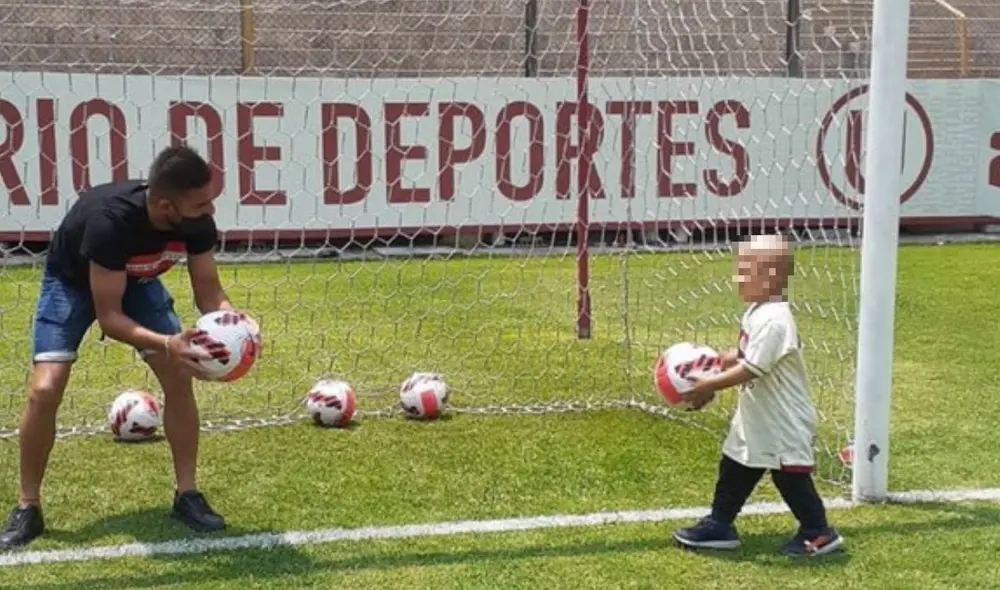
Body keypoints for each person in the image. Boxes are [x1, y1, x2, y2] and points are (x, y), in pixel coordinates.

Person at [0, 145, 243, 551]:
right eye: (201, 202)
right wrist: (168, 342)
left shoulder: (197, 220)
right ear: (166, 206)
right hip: (72, 283)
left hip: (139, 282)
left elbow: (209, 291)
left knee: (179, 375)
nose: (211, 210)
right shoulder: (108, 222)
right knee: (45, 390)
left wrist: (238, 327)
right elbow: (110, 318)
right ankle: (28, 506)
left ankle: (188, 495)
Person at [672, 233, 844, 557]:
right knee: (736, 463)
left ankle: (819, 531)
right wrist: (716, 362)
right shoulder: (756, 310)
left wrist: (708, 385)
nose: (737, 277)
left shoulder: (776, 320)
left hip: (782, 418)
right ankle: (720, 524)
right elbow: (743, 354)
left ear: (769, 276)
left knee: (789, 477)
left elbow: (752, 368)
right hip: (757, 414)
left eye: (744, 270)